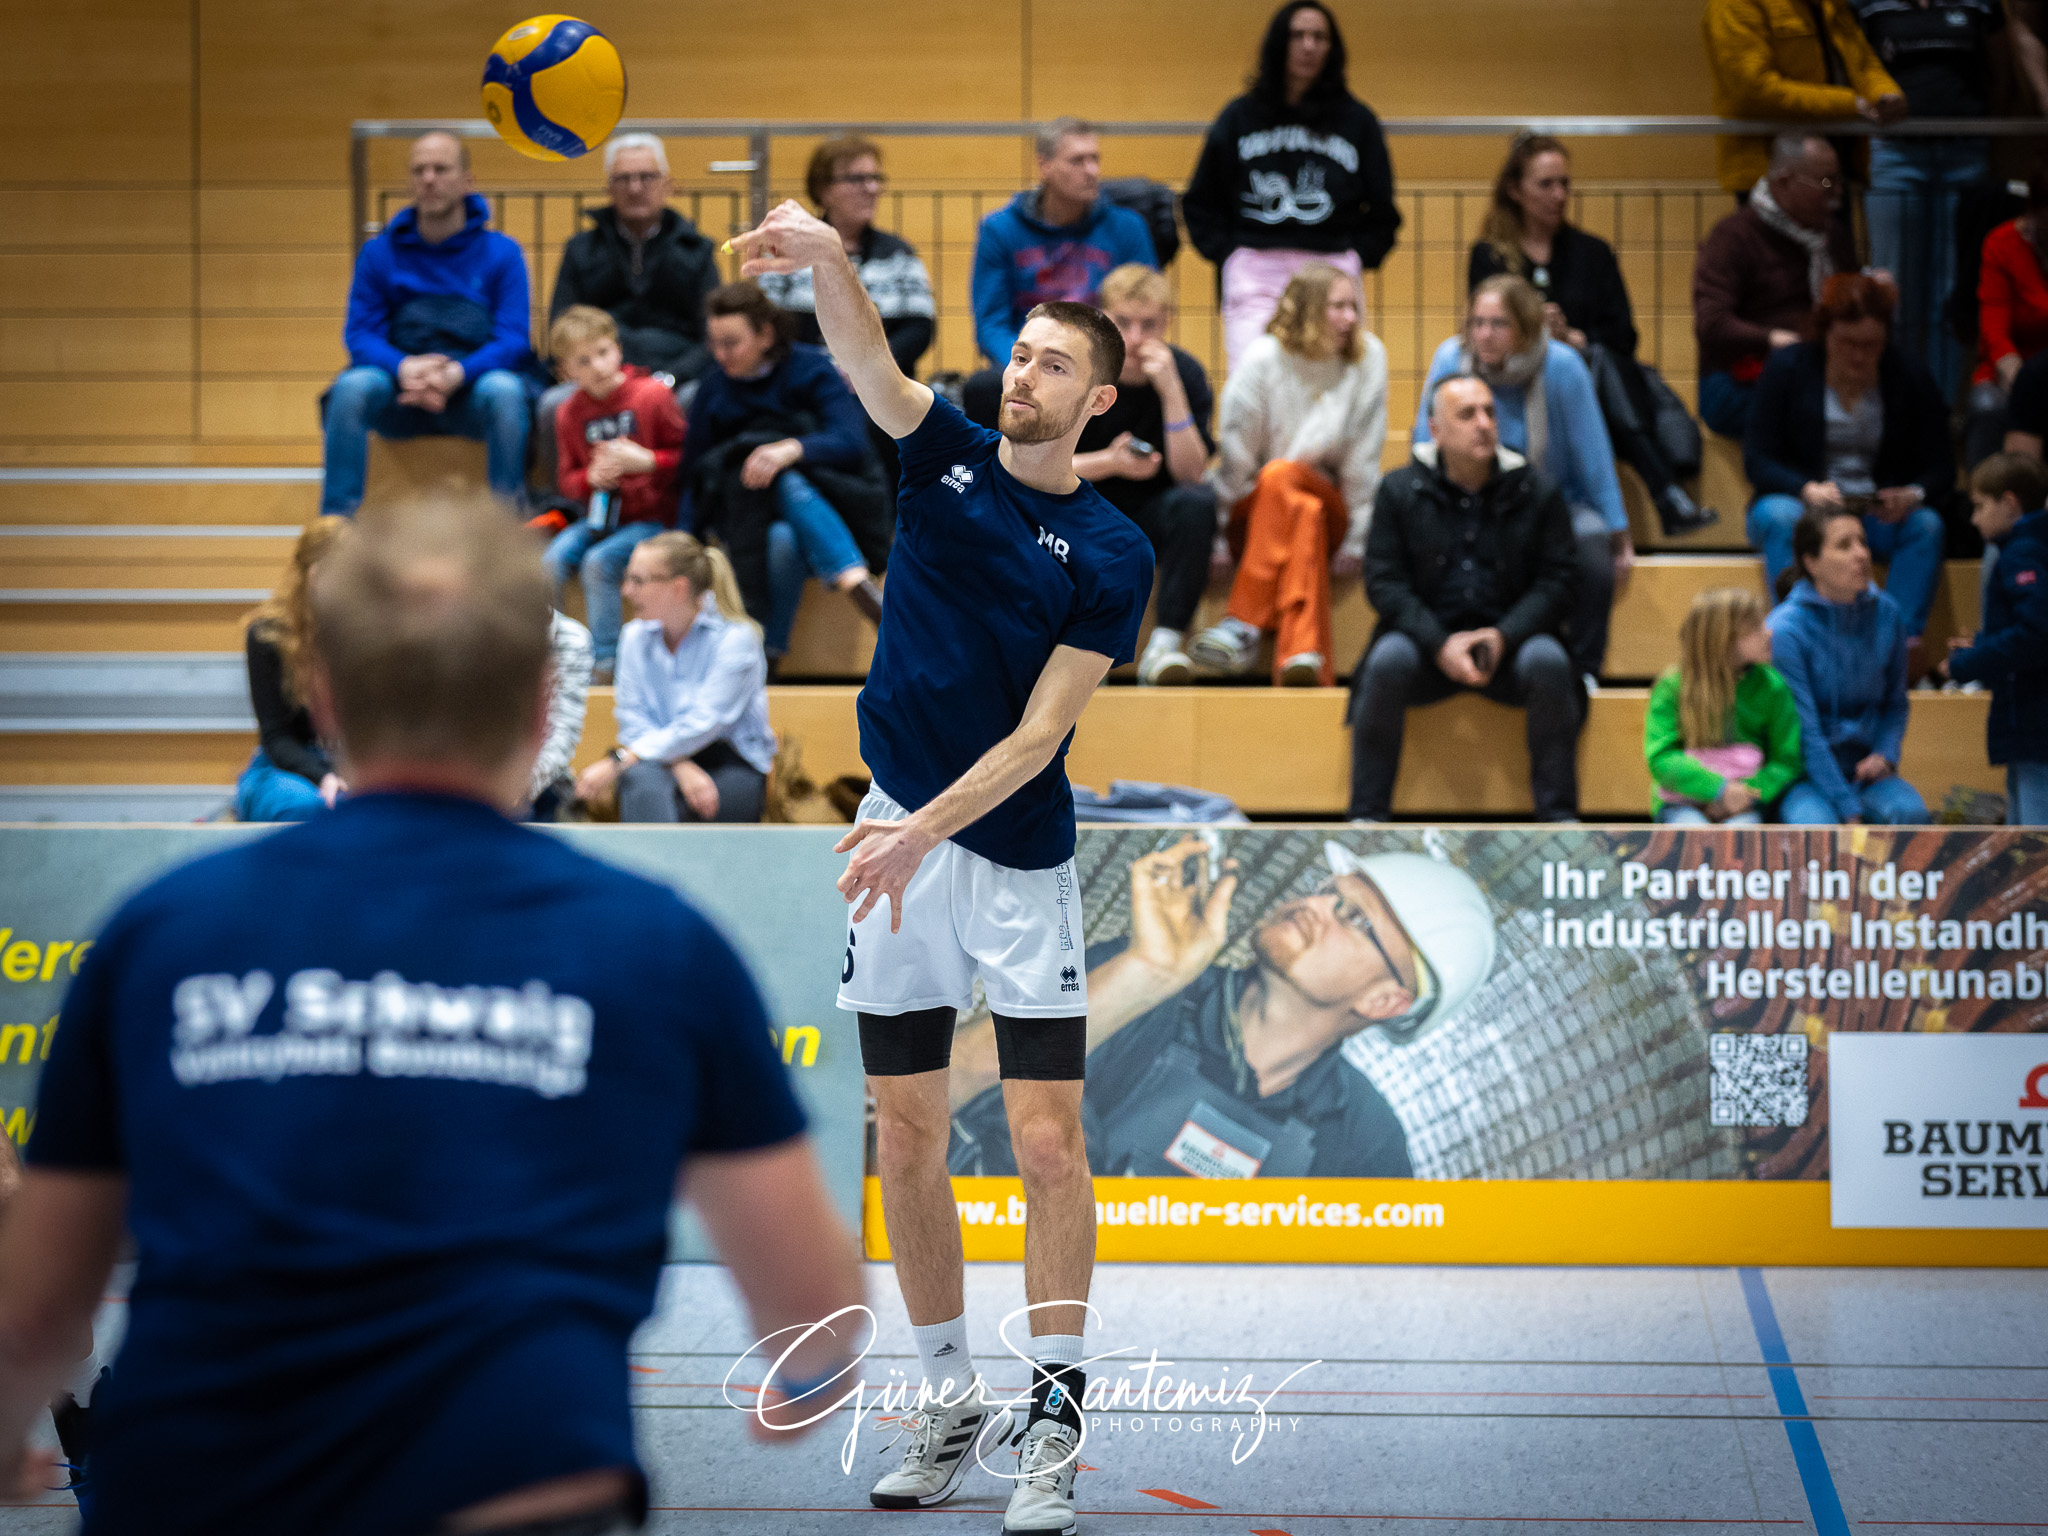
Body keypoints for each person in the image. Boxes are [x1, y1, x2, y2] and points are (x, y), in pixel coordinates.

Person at [0, 493, 863, 1535]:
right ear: (545, 709)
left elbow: (42, 1293)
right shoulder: (655, 944)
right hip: (514, 1484)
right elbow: (813, 1308)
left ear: (320, 700)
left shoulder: (160, 930)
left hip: (193, 1485)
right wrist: (807, 1373)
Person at [733, 197, 1153, 1531]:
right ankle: (946, 1396)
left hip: (1011, 862)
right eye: (1019, 353)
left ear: (1096, 405)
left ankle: (1055, 1422)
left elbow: (1043, 737)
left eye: (1052, 364)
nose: (1020, 373)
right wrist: (830, 261)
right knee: (906, 1134)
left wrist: (922, 828)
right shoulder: (945, 456)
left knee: (1046, 1140)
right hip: (900, 850)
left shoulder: (1110, 552)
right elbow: (867, 362)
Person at [947, 839, 1497, 1180]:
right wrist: (1144, 976)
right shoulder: (1144, 986)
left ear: (1384, 1000)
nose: (1314, 906)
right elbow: (941, 1086)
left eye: (1354, 918)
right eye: (1328, 891)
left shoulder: (1362, 1141)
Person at [1347, 375, 1583, 824]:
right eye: (1468, 414)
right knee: (1385, 661)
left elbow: (1559, 581)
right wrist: (1439, 643)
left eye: (1490, 412)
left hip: (1513, 646)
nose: (1484, 424)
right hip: (1426, 647)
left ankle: (1560, 820)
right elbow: (1384, 582)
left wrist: (1504, 635)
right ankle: (1366, 819)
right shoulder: (1398, 490)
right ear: (1434, 430)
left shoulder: (1537, 491)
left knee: (1550, 661)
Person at [1470, 133, 1715, 537]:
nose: (1559, 194)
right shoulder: (1490, 256)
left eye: (1565, 183)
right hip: (1517, 378)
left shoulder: (1593, 252)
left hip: (1584, 376)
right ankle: (1666, 491)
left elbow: (1624, 335)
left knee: (1594, 364)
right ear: (1515, 190)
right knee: (1589, 368)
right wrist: (1528, 332)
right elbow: (1482, 331)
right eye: (1546, 184)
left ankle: (1661, 496)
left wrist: (1575, 338)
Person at [1414, 275, 1629, 683]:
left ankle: (1585, 671)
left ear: (1526, 327)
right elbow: (1425, 443)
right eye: (1477, 323)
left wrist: (1618, 529)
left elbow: (1593, 453)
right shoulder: (1452, 360)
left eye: (1499, 324)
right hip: (1471, 502)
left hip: (1551, 503)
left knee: (1592, 542)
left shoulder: (1561, 365)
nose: (1485, 335)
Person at [1189, 263, 1387, 687]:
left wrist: (1356, 539)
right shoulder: (1263, 359)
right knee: (1302, 511)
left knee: (1286, 478)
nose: (1351, 318)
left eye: (1353, 306)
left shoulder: (1368, 358)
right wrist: (1220, 536)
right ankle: (1301, 653)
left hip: (1330, 498)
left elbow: (1363, 458)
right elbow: (1237, 458)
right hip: (1258, 511)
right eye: (1338, 307)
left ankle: (1242, 622)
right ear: (1307, 309)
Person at [322, 131, 535, 516]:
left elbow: (514, 339)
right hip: (399, 389)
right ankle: (336, 526)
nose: (429, 179)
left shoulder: (502, 253)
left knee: (506, 391)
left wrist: (457, 374)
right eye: (419, 170)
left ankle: (509, 524)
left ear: (467, 180)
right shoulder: (378, 252)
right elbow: (360, 334)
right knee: (350, 388)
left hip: (471, 392)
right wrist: (403, 368)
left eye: (441, 169)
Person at [1182, 1, 1402, 369]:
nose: (1308, 46)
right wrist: (1228, 252)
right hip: (1255, 263)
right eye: (1297, 35)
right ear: (1278, 44)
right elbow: (1201, 198)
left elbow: (1382, 208)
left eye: (1319, 37)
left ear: (1333, 49)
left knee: (1333, 380)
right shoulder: (1240, 116)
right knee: (1253, 377)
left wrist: (1358, 253)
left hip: (1330, 262)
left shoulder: (1357, 120)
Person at [680, 281, 888, 669]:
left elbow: (851, 440)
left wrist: (792, 448)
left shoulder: (811, 367)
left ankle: (768, 656)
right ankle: (856, 584)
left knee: (785, 513)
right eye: (715, 344)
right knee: (780, 518)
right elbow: (694, 470)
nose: (721, 355)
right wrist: (684, 539)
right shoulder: (712, 389)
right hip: (741, 515)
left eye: (732, 342)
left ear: (765, 334)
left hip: (830, 501)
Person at [1743, 272, 1952, 640]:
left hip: (1874, 515)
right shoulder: (1788, 368)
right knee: (1778, 515)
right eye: (1847, 343)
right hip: (1805, 506)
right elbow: (1757, 460)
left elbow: (1942, 466)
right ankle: (1800, 637)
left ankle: (1897, 644)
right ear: (1825, 334)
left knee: (1927, 525)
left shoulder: (1909, 374)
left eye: (1871, 345)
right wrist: (1805, 488)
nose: (1859, 355)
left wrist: (1911, 495)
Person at [1849, 0, 2036, 402]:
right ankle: (1895, 406)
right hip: (1895, 155)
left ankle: (1940, 407)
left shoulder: (1980, 5)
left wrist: (1975, 127)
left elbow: (2000, 79)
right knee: (1893, 289)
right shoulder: (1867, 5)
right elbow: (1853, 70)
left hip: (1963, 156)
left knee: (1951, 291)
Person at [536, 134, 719, 494]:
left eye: (647, 177)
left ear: (667, 185)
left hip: (675, 376)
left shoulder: (698, 250)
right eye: (624, 179)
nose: (636, 188)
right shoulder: (580, 250)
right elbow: (562, 324)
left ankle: (693, 507)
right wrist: (588, 375)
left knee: (697, 399)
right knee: (550, 405)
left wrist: (669, 379)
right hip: (597, 374)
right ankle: (565, 506)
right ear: (609, 186)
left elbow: (712, 335)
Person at [1075, 265, 1219, 687]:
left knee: (1197, 504)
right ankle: (1079, 652)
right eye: (1123, 323)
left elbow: (1192, 475)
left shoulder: (1185, 373)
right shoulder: (1079, 372)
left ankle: (1166, 643)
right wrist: (1110, 462)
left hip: (1155, 511)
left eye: (1149, 325)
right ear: (1102, 321)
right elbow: (1035, 468)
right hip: (1085, 507)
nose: (1136, 338)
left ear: (1167, 322)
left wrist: (1171, 391)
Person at [961, 118, 1157, 424]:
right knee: (982, 389)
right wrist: (1033, 369)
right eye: (1078, 160)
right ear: (1045, 165)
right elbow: (991, 325)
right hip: (1030, 363)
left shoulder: (1128, 227)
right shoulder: (1000, 229)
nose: (1092, 170)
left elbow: (1148, 306)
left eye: (1095, 159)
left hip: (1100, 367)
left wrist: (1091, 370)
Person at [573, 532, 776, 825]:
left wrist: (624, 758)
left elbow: (705, 722)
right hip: (652, 754)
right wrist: (679, 763)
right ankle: (651, 871)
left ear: (678, 587)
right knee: (642, 785)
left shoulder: (736, 639)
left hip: (729, 758)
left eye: (638, 581)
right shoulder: (633, 636)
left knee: (697, 807)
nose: (626, 591)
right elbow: (632, 721)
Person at [540, 306, 686, 679]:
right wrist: (590, 477)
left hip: (653, 519)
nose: (598, 367)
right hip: (599, 516)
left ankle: (607, 663)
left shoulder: (651, 395)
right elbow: (567, 480)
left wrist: (648, 461)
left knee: (598, 562)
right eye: (583, 361)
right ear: (566, 371)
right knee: (550, 560)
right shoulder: (569, 412)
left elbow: (689, 460)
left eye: (603, 353)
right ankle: (553, 657)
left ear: (619, 350)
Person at [1767, 503, 1930, 824]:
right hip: (1805, 776)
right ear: (1811, 562)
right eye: (1844, 545)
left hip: (1866, 771)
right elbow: (1805, 733)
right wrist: (1848, 809)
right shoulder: (1785, 629)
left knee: (1910, 815)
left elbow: (1896, 703)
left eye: (1863, 542)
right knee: (1817, 832)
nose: (1861, 554)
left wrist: (1886, 754)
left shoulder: (1888, 613)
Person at [1693, 133, 1860, 439]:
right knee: (1815, 411)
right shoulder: (1732, 237)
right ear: (1784, 182)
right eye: (1826, 183)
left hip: (1819, 371)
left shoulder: (1832, 236)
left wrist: (1874, 294)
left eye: (1838, 182)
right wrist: (1776, 340)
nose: (1836, 193)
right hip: (1739, 378)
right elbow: (1711, 323)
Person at [756, 136, 935, 377]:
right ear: (823, 190)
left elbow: (919, 329)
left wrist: (868, 370)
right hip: (802, 386)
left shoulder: (898, 253)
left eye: (875, 178)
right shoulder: (787, 250)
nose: (872, 189)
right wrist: (825, 373)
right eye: (857, 179)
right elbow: (771, 327)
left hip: (883, 386)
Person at [1702, 0, 1903, 201]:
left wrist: (1884, 93)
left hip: (1833, 167)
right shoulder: (1735, 5)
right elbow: (1752, 89)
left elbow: (1862, 62)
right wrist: (1849, 104)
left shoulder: (1829, 4)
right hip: (1773, 174)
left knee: (1834, 231)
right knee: (1773, 232)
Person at [1643, 587, 1805, 824]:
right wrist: (1718, 790)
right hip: (1680, 803)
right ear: (1725, 638)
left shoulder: (1773, 686)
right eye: (1755, 628)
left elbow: (1787, 761)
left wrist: (1745, 794)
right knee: (1692, 834)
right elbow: (1661, 757)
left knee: (1740, 837)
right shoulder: (1672, 685)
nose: (1768, 633)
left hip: (1747, 805)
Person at [1946, 452, 2048, 824]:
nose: (1973, 519)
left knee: (2035, 850)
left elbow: (2036, 635)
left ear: (2009, 503)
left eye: (1979, 506)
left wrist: (1969, 662)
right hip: (2029, 725)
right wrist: (1984, 646)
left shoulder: (2022, 553)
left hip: (2036, 725)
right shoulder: (2029, 550)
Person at [236, 516, 350, 823]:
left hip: (352, 763)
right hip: (283, 766)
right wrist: (324, 776)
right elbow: (277, 738)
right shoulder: (267, 633)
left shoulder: (368, 630)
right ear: (307, 575)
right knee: (305, 807)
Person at [1964, 167, 2048, 467]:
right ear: (2035, 212)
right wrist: (2027, 384)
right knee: (1988, 407)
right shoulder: (2001, 244)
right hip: (2010, 370)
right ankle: (1986, 502)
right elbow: (1994, 334)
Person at [530, 608, 594, 820]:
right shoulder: (474, 631)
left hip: (542, 784)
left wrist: (518, 788)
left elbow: (562, 734)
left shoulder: (572, 639)